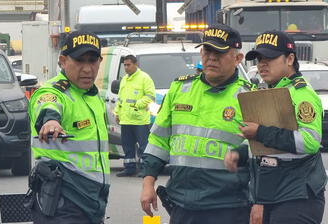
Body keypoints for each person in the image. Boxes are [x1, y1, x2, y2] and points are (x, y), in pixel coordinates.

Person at [140, 24, 252, 224]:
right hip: (183, 203)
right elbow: (159, 140)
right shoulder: (180, 89)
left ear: (238, 58)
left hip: (229, 206)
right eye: (207, 51)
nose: (211, 57)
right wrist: (148, 183)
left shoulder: (249, 96)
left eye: (219, 52)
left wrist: (241, 154)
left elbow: (261, 152)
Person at [224, 31, 326, 224]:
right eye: (259, 58)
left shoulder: (301, 94)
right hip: (272, 193)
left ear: (290, 59)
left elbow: (310, 142)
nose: (262, 64)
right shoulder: (267, 91)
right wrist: (240, 153)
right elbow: (263, 146)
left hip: (298, 196)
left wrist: (260, 132)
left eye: (269, 58)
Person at [27, 31, 110, 224]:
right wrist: (51, 121)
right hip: (63, 201)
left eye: (93, 61)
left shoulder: (92, 95)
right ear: (63, 61)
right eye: (80, 61)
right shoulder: (52, 91)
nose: (88, 69)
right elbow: (48, 105)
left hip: (93, 199)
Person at [114, 54, 155, 177]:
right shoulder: (124, 80)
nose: (126, 67)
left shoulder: (144, 78)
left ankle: (144, 169)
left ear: (135, 64)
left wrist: (137, 104)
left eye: (128, 65)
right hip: (126, 120)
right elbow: (120, 99)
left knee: (143, 146)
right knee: (127, 146)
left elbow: (150, 96)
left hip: (140, 120)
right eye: (125, 65)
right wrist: (117, 112)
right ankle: (129, 168)